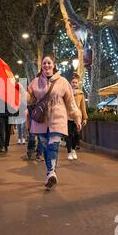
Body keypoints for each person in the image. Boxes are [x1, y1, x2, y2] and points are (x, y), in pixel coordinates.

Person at [27, 55, 82, 190]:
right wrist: (20, 92)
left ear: (53, 65)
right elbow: (29, 100)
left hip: (58, 119)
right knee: (45, 147)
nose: (46, 65)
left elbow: (71, 103)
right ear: (41, 66)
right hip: (40, 121)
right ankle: (50, 172)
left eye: (49, 63)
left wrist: (77, 117)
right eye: (44, 63)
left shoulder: (63, 82)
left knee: (53, 146)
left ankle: (51, 173)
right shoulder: (35, 82)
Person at [66, 74, 88, 161]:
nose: (74, 84)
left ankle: (73, 149)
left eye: (76, 82)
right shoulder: (67, 92)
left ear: (78, 83)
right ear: (70, 83)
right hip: (68, 116)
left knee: (77, 134)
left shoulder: (81, 93)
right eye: (73, 82)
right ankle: (68, 152)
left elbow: (83, 107)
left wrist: (85, 118)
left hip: (77, 117)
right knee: (69, 135)